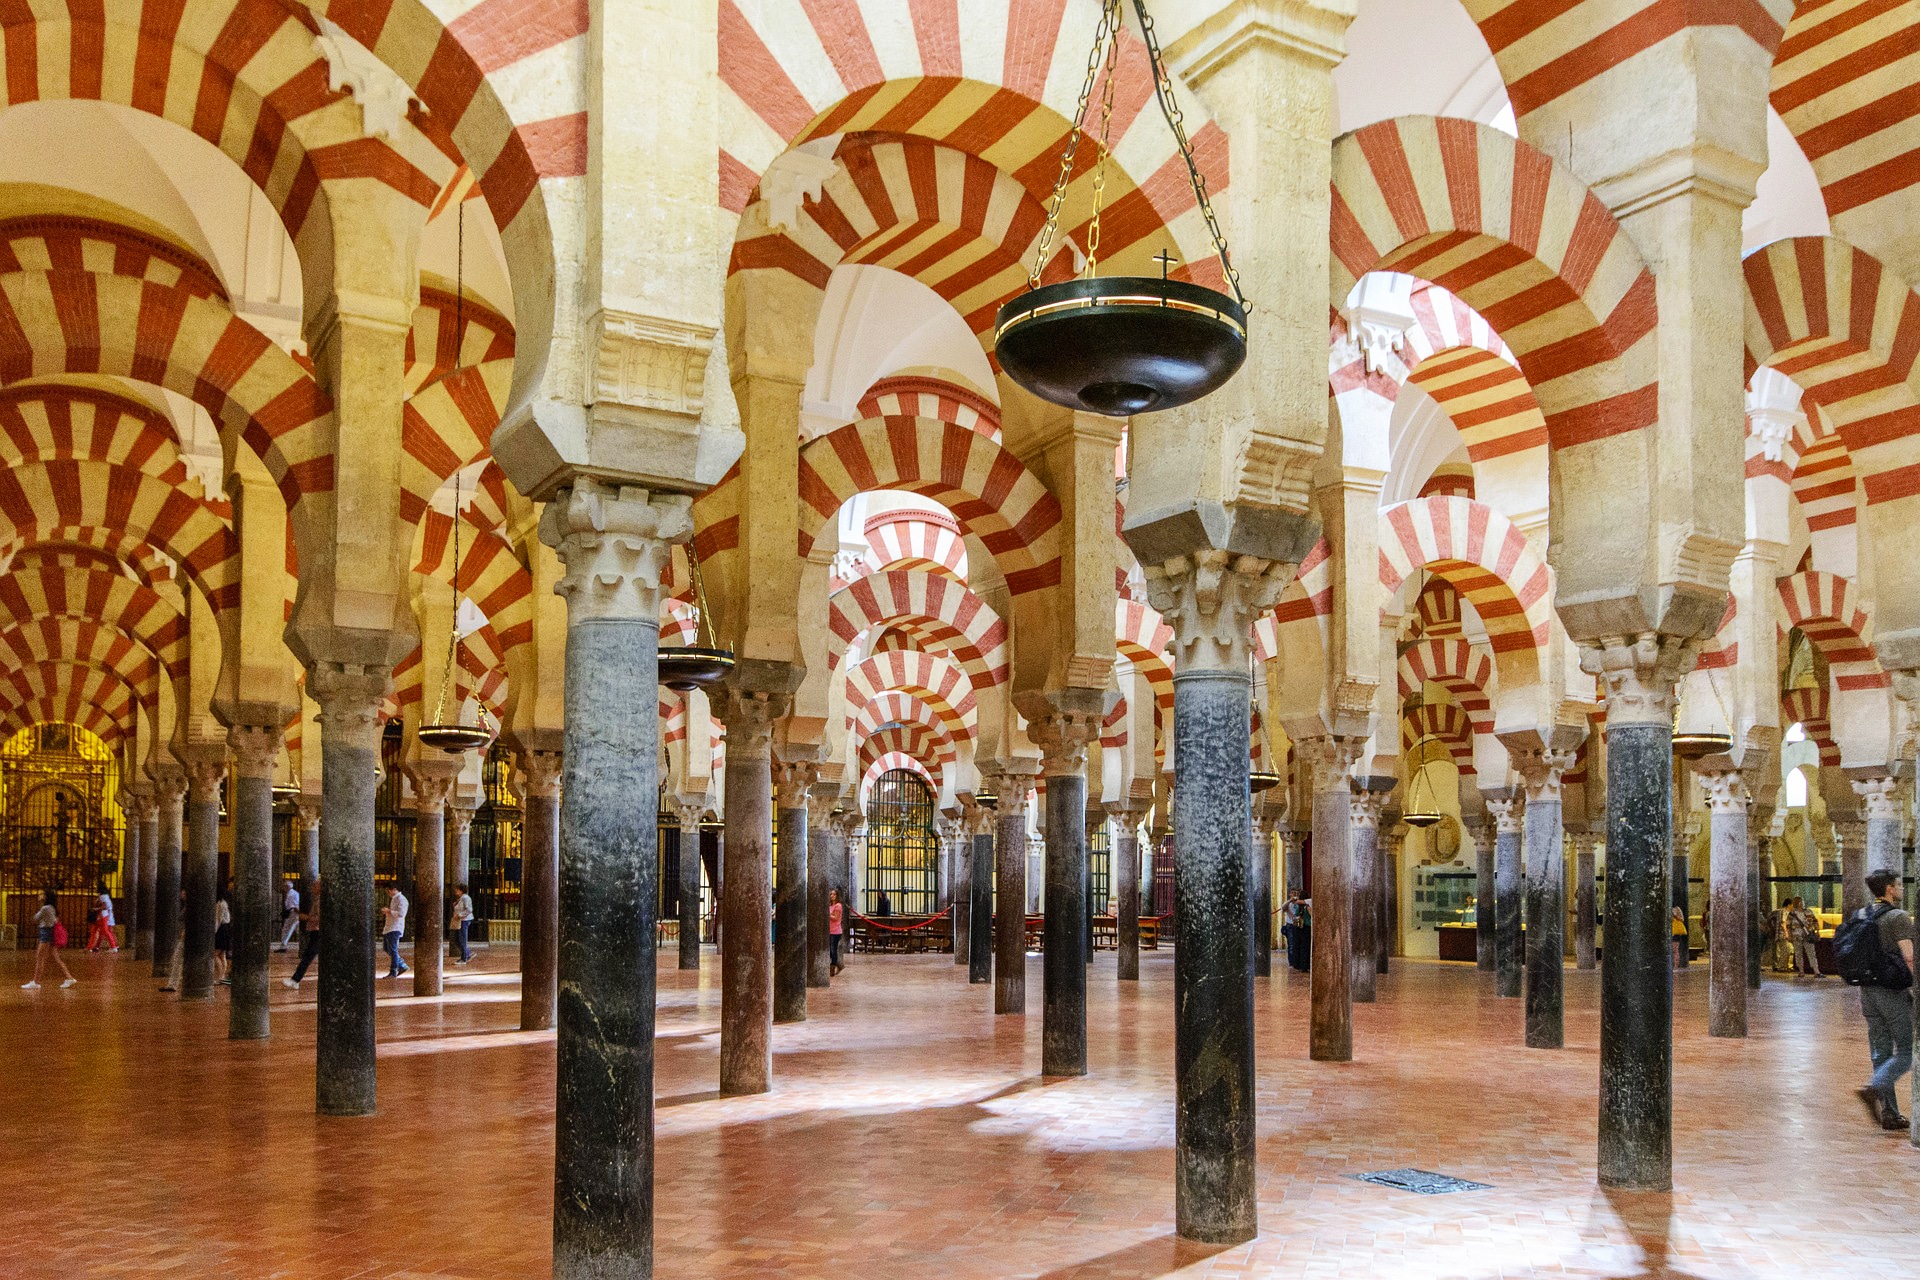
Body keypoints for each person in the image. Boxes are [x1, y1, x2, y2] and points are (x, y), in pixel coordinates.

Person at [1854, 870, 1916, 1130]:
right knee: (1906, 1053)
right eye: (1899, 884)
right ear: (1890, 889)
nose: (1901, 888)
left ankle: (1890, 1114)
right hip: (1892, 990)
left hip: (1867, 991)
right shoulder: (1898, 917)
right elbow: (1910, 957)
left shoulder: (1860, 914)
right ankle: (1873, 1088)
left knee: (1880, 1052)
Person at [20, 889, 76, 989]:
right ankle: (69, 977)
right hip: (49, 933)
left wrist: (40, 908)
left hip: (45, 934)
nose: (40, 895)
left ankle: (35, 982)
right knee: (55, 958)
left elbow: (35, 918)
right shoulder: (51, 907)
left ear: (46, 897)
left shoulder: (45, 908)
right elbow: (54, 920)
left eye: (42, 894)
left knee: (40, 958)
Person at [284, 877, 321, 988]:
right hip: (315, 931)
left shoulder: (320, 900)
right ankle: (295, 980)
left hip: (318, 932)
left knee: (307, 957)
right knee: (307, 956)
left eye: (314, 886)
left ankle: (295, 980)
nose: (312, 888)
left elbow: (319, 917)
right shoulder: (317, 899)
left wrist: (306, 917)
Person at [381, 885, 409, 980]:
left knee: (393, 950)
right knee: (387, 948)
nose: (388, 893)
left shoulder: (401, 899)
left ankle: (393, 971)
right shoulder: (394, 899)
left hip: (395, 927)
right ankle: (401, 964)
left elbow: (401, 913)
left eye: (389, 890)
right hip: (390, 927)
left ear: (394, 889)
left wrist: (389, 911)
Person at [1789, 897, 1821, 976]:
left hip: (1808, 935)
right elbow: (1788, 925)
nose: (1802, 903)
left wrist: (1817, 931)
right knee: (1798, 953)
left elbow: (1815, 922)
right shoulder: (1792, 914)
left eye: (1802, 901)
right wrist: (1789, 935)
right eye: (1800, 902)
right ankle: (1801, 971)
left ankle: (1816, 971)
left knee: (1811, 953)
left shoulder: (1809, 911)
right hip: (1797, 936)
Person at [1281, 892, 1311, 973]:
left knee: (1298, 946)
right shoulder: (1307, 907)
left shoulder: (1298, 907)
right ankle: (1304, 965)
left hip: (1298, 928)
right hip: (1306, 927)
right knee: (1305, 947)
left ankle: (1298, 964)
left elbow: (1295, 914)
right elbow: (1312, 916)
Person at [86, 884, 118, 953]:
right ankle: (93, 947)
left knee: (103, 931)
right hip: (103, 916)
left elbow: (105, 906)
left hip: (102, 916)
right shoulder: (106, 896)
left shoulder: (102, 896)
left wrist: (96, 908)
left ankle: (113, 946)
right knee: (101, 931)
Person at [449, 883, 474, 965]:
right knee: (457, 938)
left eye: (457, 890)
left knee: (462, 938)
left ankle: (464, 958)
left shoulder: (465, 898)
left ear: (461, 890)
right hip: (459, 920)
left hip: (464, 920)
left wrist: (460, 915)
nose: (456, 892)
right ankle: (467, 953)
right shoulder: (460, 899)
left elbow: (469, 909)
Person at [212, 888, 233, 984]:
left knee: (215, 954)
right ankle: (222, 976)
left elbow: (218, 919)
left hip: (221, 930)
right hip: (226, 929)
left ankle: (220, 977)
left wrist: (214, 932)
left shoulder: (220, 904)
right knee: (222, 954)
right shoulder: (225, 903)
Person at [276, 878, 302, 952]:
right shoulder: (291, 893)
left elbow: (295, 905)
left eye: (284, 886)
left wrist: (298, 913)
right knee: (293, 929)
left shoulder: (292, 894)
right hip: (293, 913)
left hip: (294, 913)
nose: (283, 888)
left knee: (287, 929)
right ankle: (283, 946)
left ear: (287, 886)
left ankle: (283, 946)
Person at [828, 888, 845, 976]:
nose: (832, 896)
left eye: (834, 894)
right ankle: (839, 964)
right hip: (829, 930)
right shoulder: (830, 905)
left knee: (833, 949)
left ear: (837, 896)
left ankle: (833, 967)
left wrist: (828, 914)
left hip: (836, 931)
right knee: (830, 950)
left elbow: (836, 918)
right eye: (831, 894)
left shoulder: (838, 905)